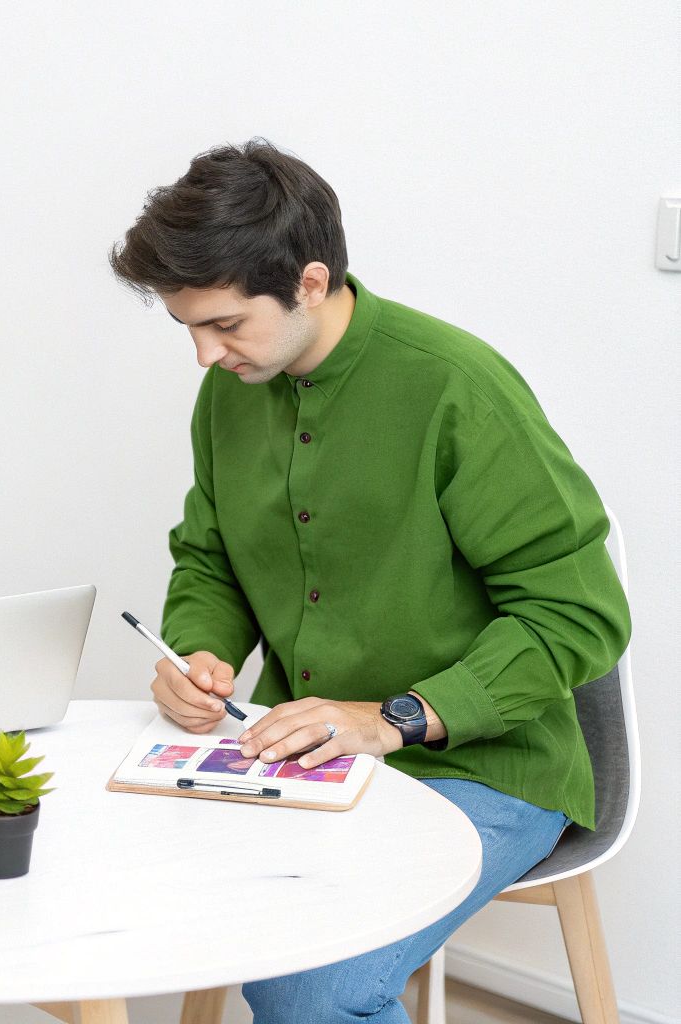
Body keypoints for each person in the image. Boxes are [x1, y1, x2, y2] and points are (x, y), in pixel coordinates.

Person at [110, 140, 632, 1023]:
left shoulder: (455, 388)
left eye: (227, 324)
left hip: (486, 765)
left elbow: (576, 614)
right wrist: (202, 649)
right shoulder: (231, 392)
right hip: (299, 752)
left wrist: (387, 720)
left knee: (313, 984)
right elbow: (212, 556)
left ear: (310, 282)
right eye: (188, 328)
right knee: (111, 868)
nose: (204, 356)